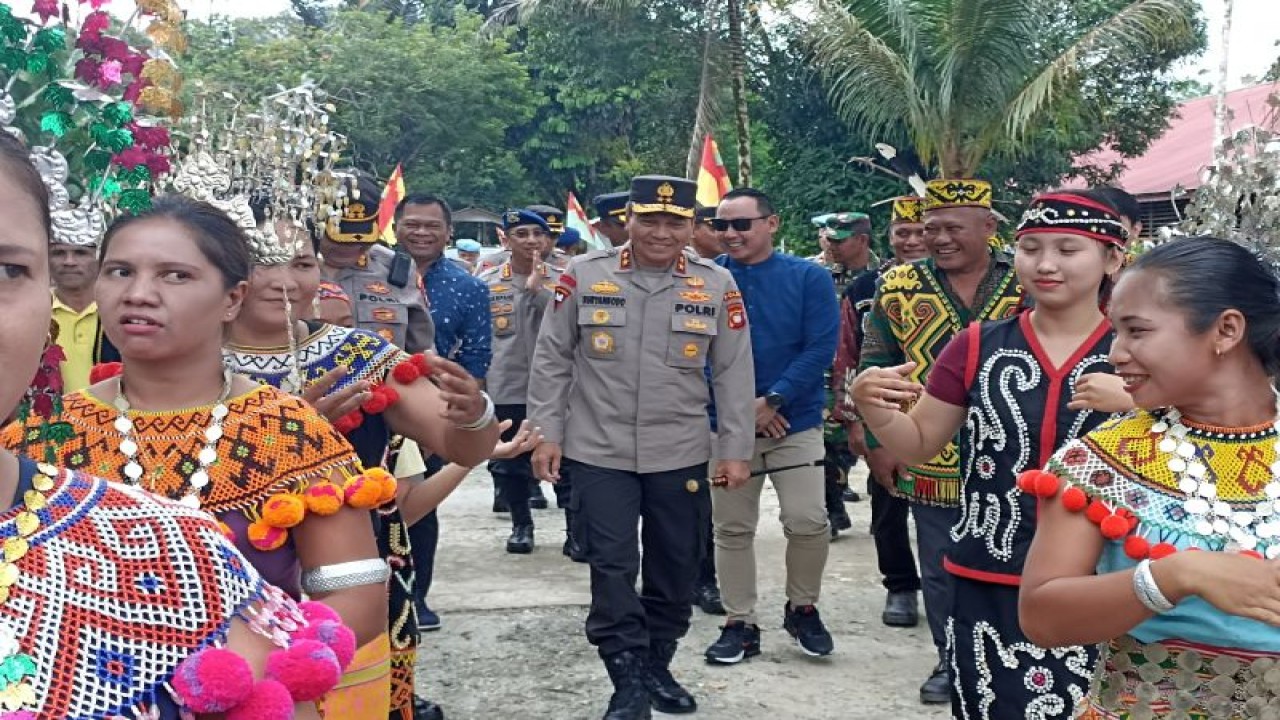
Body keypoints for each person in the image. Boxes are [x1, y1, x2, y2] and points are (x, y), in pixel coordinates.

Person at [0, 123, 345, 720]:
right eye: (120, 272)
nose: (139, 294)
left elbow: (346, 594)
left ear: (231, 297)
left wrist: (235, 671)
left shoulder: (282, 430)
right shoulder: (43, 429)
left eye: (175, 275)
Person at [856, 190, 1132, 718]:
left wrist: (1139, 401)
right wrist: (873, 409)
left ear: (1112, 259)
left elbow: (1197, 435)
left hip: (1104, 579)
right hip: (988, 570)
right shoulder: (977, 344)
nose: (1046, 264)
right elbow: (919, 442)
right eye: (1031, 248)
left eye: (1068, 249)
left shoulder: (1136, 349)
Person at [226, 209, 499, 720]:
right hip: (223, 585)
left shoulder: (359, 356)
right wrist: (292, 434)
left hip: (347, 584)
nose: (285, 280)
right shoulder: (187, 361)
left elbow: (463, 445)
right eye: (262, 262)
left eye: (301, 263)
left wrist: (475, 414)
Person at [1020, 237, 1280, 720]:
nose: (1116, 354)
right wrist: (1175, 575)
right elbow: (1041, 616)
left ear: (1225, 330)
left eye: (1136, 331)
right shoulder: (1101, 462)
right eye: (1114, 332)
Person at [529, 175, 755, 720]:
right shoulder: (584, 275)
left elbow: (731, 370)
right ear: (626, 219)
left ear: (690, 227)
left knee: (675, 565)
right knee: (611, 563)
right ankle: (626, 675)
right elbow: (552, 358)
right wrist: (546, 434)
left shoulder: (716, 283)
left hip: (678, 449)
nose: (660, 232)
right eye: (647, 219)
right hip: (596, 448)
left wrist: (735, 448)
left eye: (674, 222)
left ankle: (657, 659)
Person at [859, 178, 1024, 704]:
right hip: (930, 452)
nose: (939, 238)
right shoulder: (899, 283)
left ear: (990, 227)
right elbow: (875, 360)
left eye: (954, 227)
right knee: (942, 568)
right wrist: (876, 438)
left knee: (1022, 560)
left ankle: (1018, 657)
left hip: (1021, 451)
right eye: (931, 229)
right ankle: (953, 661)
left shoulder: (1027, 278)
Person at [702, 188, 840, 665]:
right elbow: (691, 354)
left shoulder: (809, 277)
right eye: (722, 225)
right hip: (724, 426)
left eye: (741, 224)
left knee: (807, 520)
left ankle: (803, 607)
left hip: (793, 421)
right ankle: (739, 622)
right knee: (731, 527)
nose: (730, 234)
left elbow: (821, 348)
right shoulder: (705, 280)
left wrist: (774, 398)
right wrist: (742, 409)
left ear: (772, 223)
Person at [833, 195, 929, 629]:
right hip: (887, 415)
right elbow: (849, 357)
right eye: (901, 232)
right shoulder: (865, 289)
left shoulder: (980, 285)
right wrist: (856, 420)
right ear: (888, 237)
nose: (911, 240)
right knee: (888, 503)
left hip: (955, 419)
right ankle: (901, 586)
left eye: (920, 231)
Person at [478, 209, 555, 554]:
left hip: (556, 387)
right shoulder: (488, 282)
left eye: (538, 234)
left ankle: (578, 532)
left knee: (565, 458)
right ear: (506, 240)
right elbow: (479, 339)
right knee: (511, 461)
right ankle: (521, 525)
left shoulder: (567, 279)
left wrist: (538, 291)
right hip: (507, 384)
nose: (531, 241)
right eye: (521, 234)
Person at [318, 174, 436, 354]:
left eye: (362, 238)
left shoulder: (396, 270)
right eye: (340, 239)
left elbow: (422, 348)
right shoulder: (285, 269)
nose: (352, 246)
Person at [813, 212, 876, 537]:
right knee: (825, 446)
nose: (830, 245)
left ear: (862, 240)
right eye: (827, 239)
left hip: (872, 374)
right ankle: (831, 507)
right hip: (823, 377)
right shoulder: (814, 273)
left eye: (839, 240)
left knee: (862, 445)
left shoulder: (886, 276)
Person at [49, 231, 119, 394]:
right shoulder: (34, 313)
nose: (69, 262)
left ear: (102, 259)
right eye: (59, 253)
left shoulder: (122, 313)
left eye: (80, 253)